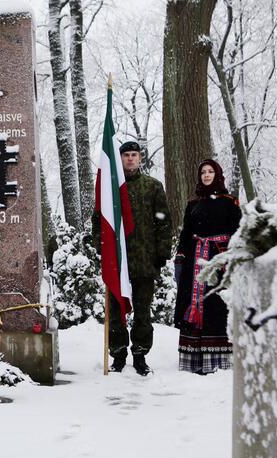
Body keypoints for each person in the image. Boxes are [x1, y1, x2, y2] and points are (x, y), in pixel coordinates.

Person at [92, 141, 172, 375]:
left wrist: (162, 253)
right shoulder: (111, 189)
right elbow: (98, 220)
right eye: (126, 155)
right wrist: (102, 247)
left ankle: (140, 354)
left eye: (134, 155)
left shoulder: (153, 186)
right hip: (117, 262)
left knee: (142, 312)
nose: (130, 159)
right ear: (120, 159)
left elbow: (164, 222)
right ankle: (118, 355)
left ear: (140, 158)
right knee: (116, 312)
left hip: (145, 261)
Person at [174, 159, 242, 375]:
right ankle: (195, 359)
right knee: (195, 303)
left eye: (210, 171)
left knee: (216, 304)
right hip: (196, 262)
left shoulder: (230, 202)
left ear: (218, 174)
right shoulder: (193, 204)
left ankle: (220, 358)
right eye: (203, 172)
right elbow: (186, 233)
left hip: (220, 260)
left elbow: (237, 231)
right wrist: (181, 257)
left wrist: (230, 255)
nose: (206, 175)